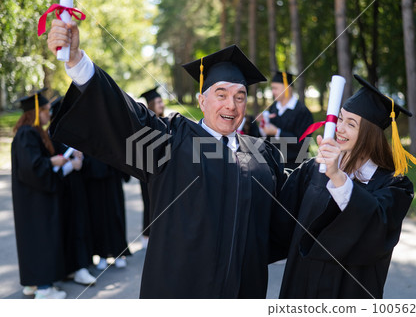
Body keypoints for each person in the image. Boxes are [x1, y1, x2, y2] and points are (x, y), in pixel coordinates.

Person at [47, 19, 284, 298]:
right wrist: (77, 61)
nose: (231, 105)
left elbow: (294, 204)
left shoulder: (262, 155)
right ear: (201, 101)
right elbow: (126, 116)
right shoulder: (172, 141)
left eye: (240, 97)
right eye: (221, 94)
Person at [271, 74, 416, 299]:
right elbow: (277, 219)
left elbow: (376, 225)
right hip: (300, 289)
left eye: (351, 124)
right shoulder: (314, 170)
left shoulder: (395, 186)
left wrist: (338, 177)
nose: (339, 128)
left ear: (371, 135)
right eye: (340, 118)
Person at [11, 89, 67, 299]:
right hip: (36, 200)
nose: (49, 115)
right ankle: (44, 289)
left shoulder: (26, 133)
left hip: (31, 199)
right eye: (45, 110)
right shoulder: (28, 133)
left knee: (32, 240)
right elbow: (31, 168)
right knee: (41, 239)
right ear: (36, 112)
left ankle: (33, 283)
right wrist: (53, 161)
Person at [50, 97, 96, 285]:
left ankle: (79, 266)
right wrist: (72, 163)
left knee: (78, 223)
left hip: (76, 186)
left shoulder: (71, 130)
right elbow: (52, 162)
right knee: (69, 225)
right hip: (62, 187)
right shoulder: (53, 133)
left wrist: (80, 159)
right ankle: (73, 267)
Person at [82, 155, 131, 270]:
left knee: (116, 214)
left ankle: (119, 253)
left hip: (113, 176)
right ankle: (102, 254)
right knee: (98, 216)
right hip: (94, 178)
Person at [261, 71, 313, 169]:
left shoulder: (302, 112)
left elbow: (302, 144)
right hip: (274, 164)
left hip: (295, 167)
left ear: (287, 88)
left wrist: (277, 132)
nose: (273, 92)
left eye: (275, 88)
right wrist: (264, 127)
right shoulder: (273, 108)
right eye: (272, 88)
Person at [138, 87, 165, 248]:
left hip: (163, 168)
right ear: (150, 105)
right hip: (147, 169)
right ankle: (147, 234)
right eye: (158, 102)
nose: (162, 104)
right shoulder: (146, 122)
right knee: (149, 202)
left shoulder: (166, 121)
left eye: (162, 101)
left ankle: (159, 234)